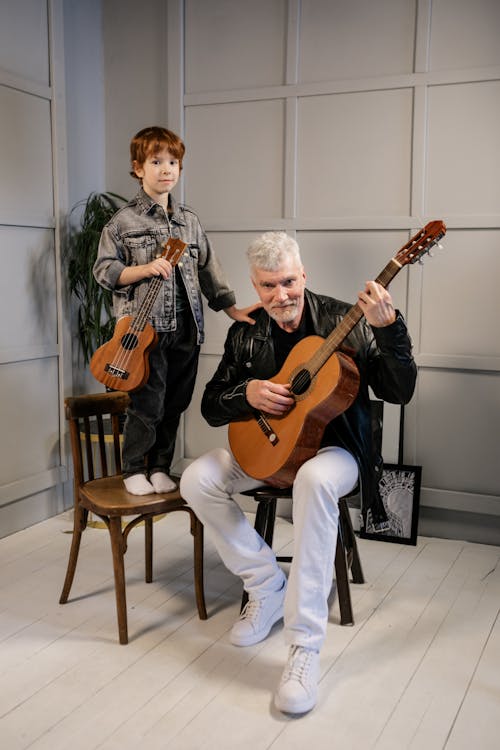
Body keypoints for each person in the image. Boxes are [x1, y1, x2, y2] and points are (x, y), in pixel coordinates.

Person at [180, 231, 417, 715]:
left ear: (303, 274)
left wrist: (389, 329)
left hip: (338, 452)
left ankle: (303, 649)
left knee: (312, 480)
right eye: (268, 286)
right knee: (196, 478)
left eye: (288, 281)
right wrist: (245, 395)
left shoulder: (345, 321)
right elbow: (209, 405)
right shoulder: (245, 331)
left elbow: (401, 390)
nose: (280, 295)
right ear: (254, 284)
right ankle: (266, 586)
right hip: (271, 450)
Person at [93, 126, 259, 496]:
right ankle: (134, 468)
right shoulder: (122, 223)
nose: (166, 169)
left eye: (173, 162)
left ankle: (159, 467)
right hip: (145, 331)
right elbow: (104, 271)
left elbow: (210, 271)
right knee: (146, 404)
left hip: (188, 329)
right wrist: (144, 269)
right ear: (138, 168)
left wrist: (232, 309)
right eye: (156, 161)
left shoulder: (190, 222)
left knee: (175, 403)